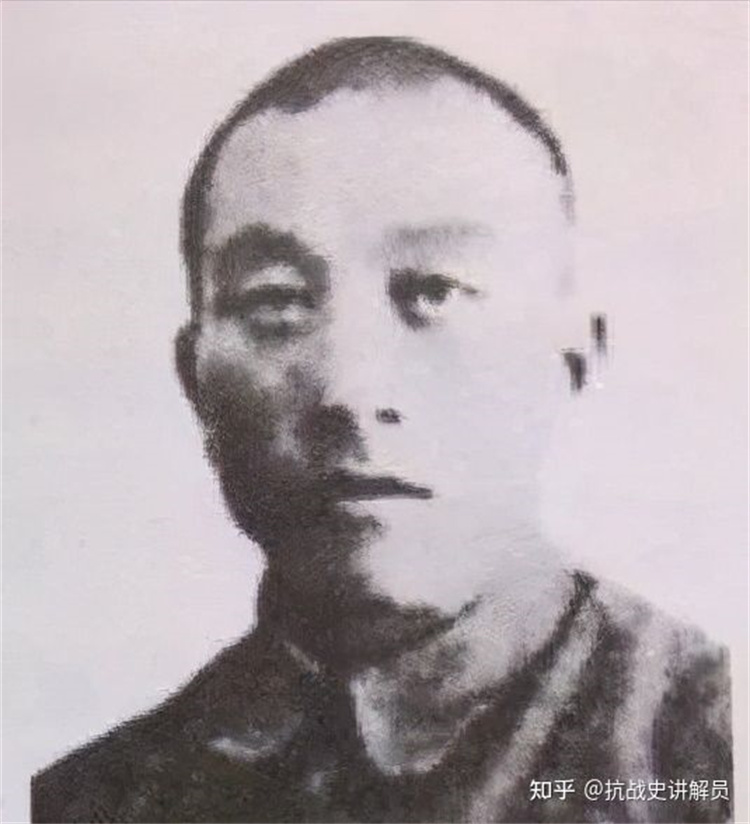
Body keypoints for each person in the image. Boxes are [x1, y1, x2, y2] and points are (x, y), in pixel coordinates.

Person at [31, 37, 733, 823]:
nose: (350, 390)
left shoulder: (707, 749)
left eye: (435, 291)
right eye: (275, 301)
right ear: (195, 382)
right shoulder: (91, 801)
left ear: (570, 355)